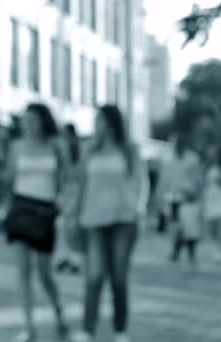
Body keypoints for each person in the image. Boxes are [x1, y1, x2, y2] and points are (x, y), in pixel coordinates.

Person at [70, 105, 149, 342]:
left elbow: (141, 182)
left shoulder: (129, 150)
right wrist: (74, 215)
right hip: (93, 219)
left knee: (118, 276)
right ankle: (87, 329)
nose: (98, 125)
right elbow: (81, 186)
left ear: (113, 123)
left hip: (123, 219)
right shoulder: (89, 151)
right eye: (97, 121)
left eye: (102, 121)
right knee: (94, 276)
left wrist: (140, 209)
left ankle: (120, 330)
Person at [2, 103, 69, 342]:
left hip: (45, 212)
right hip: (21, 209)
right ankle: (29, 328)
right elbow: (10, 181)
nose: (27, 124)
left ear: (43, 120)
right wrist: (7, 211)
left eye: (33, 119)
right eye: (24, 119)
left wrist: (63, 208)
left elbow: (65, 180)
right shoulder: (16, 147)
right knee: (23, 272)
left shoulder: (56, 146)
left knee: (44, 273)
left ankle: (59, 312)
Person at [156, 135, 204, 269]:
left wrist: (197, 194)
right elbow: (165, 179)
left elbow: (198, 179)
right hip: (174, 197)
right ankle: (177, 250)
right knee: (177, 226)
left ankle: (189, 251)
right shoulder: (169, 159)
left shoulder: (192, 159)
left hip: (188, 197)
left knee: (189, 227)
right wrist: (161, 196)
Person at [54, 124, 83, 274]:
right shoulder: (60, 152)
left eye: (65, 135)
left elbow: (77, 175)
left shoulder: (79, 152)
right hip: (64, 193)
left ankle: (74, 259)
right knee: (61, 226)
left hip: (75, 192)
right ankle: (63, 258)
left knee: (72, 226)